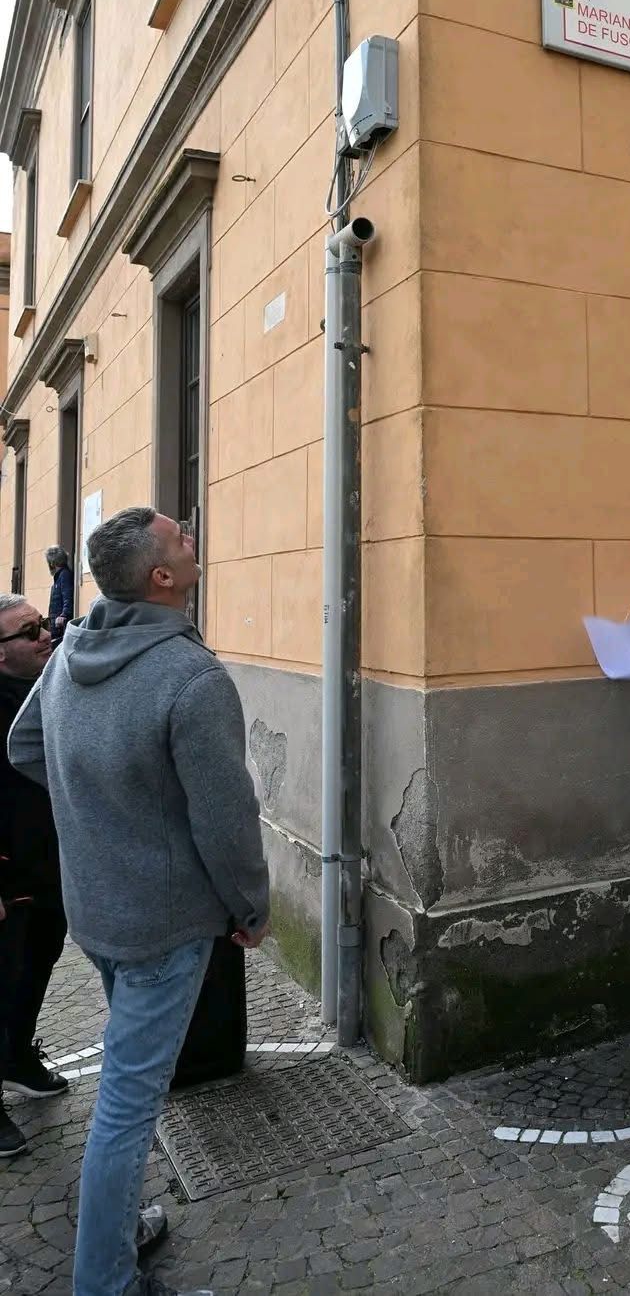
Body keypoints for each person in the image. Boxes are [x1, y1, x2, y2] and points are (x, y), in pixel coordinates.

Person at [9, 507, 270, 1296]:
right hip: (164, 925)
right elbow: (226, 821)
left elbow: (25, 746)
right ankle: (107, 1282)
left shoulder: (73, 651)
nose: (194, 537)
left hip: (99, 910)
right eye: (181, 538)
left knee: (129, 1084)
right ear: (163, 577)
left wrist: (103, 817)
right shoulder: (192, 678)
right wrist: (252, 909)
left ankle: (118, 1235)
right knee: (127, 1102)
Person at [0, 595, 66, 1160]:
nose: (46, 634)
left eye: (43, 624)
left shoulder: (49, 688)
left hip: (47, 866)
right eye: (29, 632)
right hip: (5, 875)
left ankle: (17, 1055)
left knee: (36, 965)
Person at [46, 545, 75, 644]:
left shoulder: (64, 575)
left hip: (60, 624)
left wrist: (64, 614)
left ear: (52, 562)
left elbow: (68, 596)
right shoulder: (59, 576)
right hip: (56, 623)